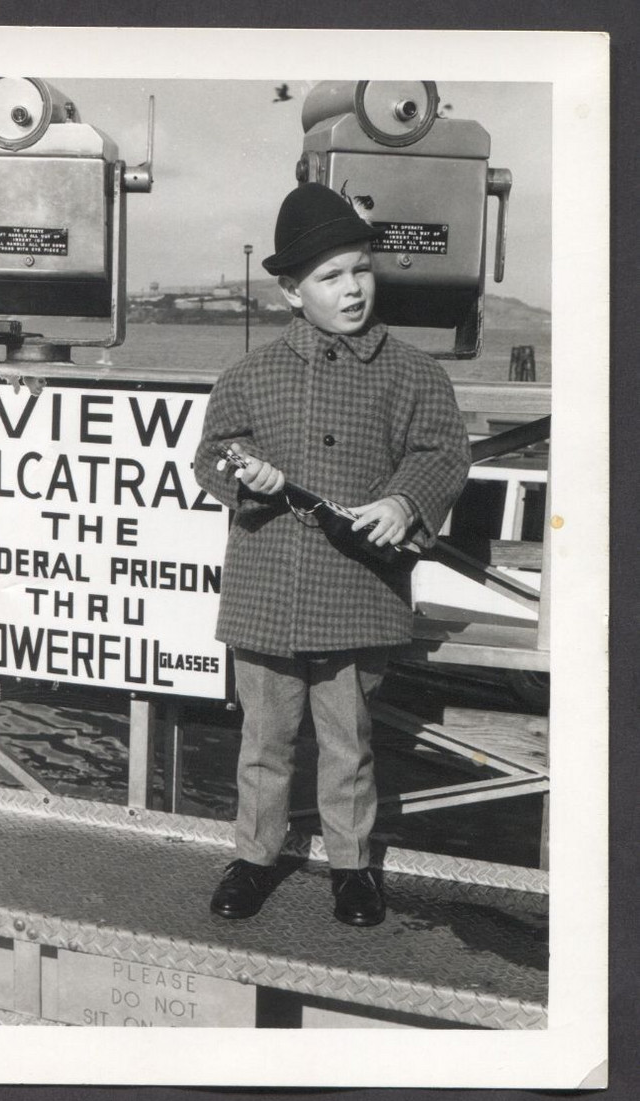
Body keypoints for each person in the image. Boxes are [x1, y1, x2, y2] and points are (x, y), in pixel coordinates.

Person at [193, 182, 470, 926]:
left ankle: (353, 867)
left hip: (357, 590)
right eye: (329, 277)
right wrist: (238, 472)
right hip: (266, 593)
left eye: (360, 270)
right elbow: (210, 455)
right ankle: (255, 856)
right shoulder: (249, 374)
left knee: (348, 744)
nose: (351, 289)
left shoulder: (413, 373)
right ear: (290, 292)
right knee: (264, 741)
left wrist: (403, 501)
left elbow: (441, 451)